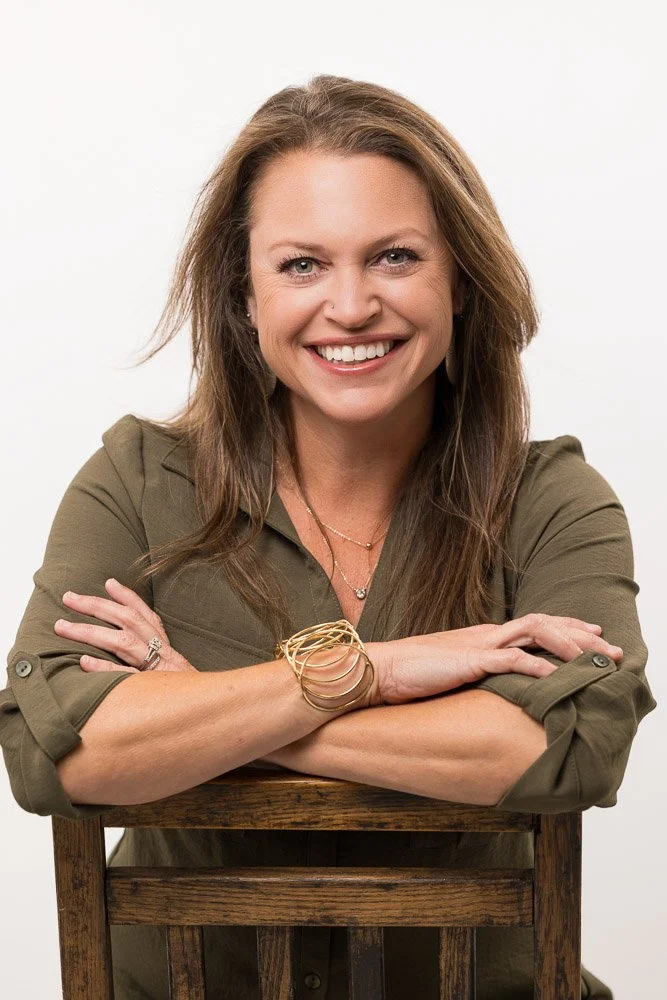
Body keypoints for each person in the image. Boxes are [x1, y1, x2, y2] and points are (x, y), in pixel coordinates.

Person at [0, 73, 656, 1000]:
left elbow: (574, 747)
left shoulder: (551, 498)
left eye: (393, 257)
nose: (349, 308)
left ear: (460, 279)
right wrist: (374, 675)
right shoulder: (139, 484)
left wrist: (214, 715)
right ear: (245, 295)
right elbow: (49, 750)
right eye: (301, 265)